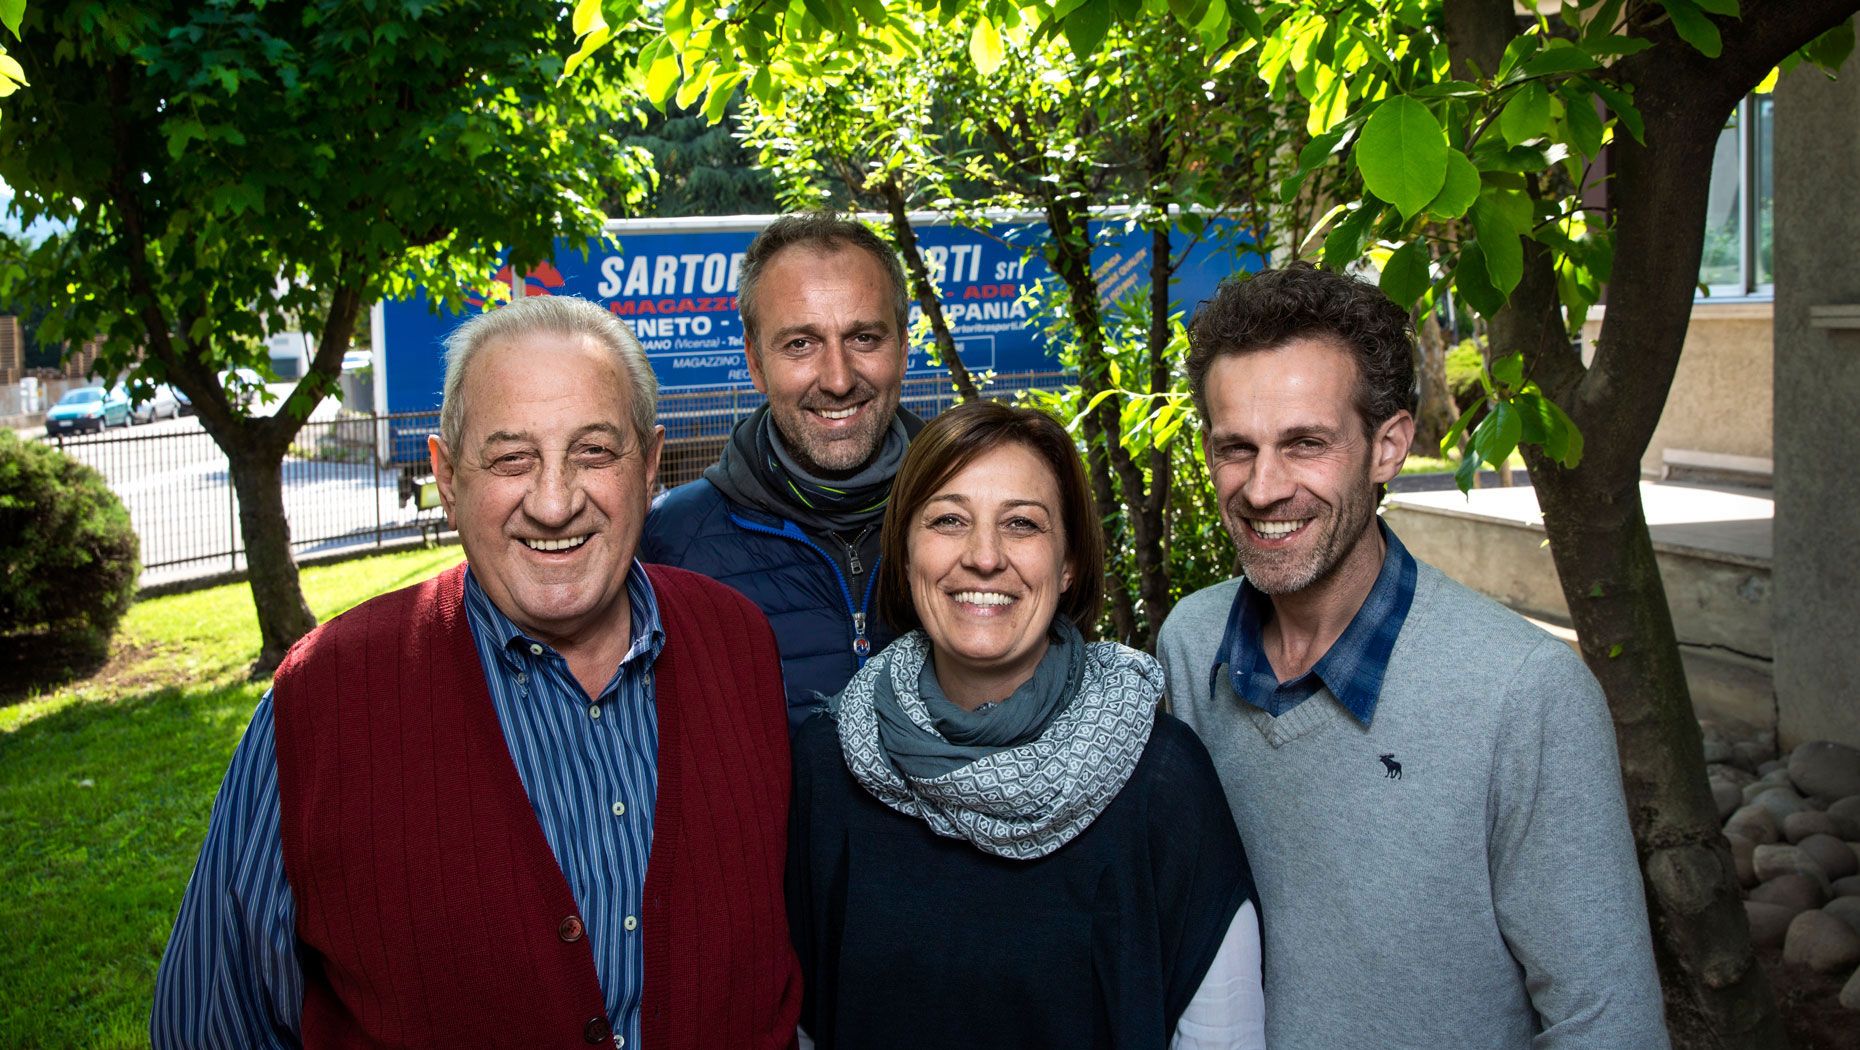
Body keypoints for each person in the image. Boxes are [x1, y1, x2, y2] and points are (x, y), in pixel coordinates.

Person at [151, 296, 800, 1049]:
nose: (555, 503)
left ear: (651, 465)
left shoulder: (740, 645)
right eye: (511, 459)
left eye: (594, 451)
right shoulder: (324, 700)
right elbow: (211, 1022)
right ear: (448, 478)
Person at [1155, 263, 1669, 1049]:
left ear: (1388, 446)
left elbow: (1606, 1022)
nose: (1262, 488)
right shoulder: (1191, 647)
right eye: (1236, 448)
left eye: (1305, 444)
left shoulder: (1524, 695)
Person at [788, 400, 1264, 1050]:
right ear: (904, 555)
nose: (984, 557)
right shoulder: (827, 767)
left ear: (1068, 563)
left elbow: (1222, 1037)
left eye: (1021, 523)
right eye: (949, 520)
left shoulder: (1163, 784)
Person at [641, 213, 923, 731]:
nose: (838, 380)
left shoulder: (972, 520)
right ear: (754, 364)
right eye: (800, 344)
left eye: (863, 338)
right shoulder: (671, 543)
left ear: (903, 349)